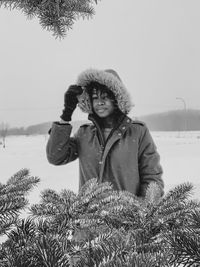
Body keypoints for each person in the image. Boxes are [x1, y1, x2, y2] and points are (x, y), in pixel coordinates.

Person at [46, 68, 164, 197]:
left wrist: (143, 210)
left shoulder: (137, 132)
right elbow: (55, 157)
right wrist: (66, 114)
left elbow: (152, 177)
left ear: (117, 99)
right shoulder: (84, 134)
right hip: (89, 215)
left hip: (127, 215)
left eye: (105, 97)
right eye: (95, 97)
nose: (99, 102)